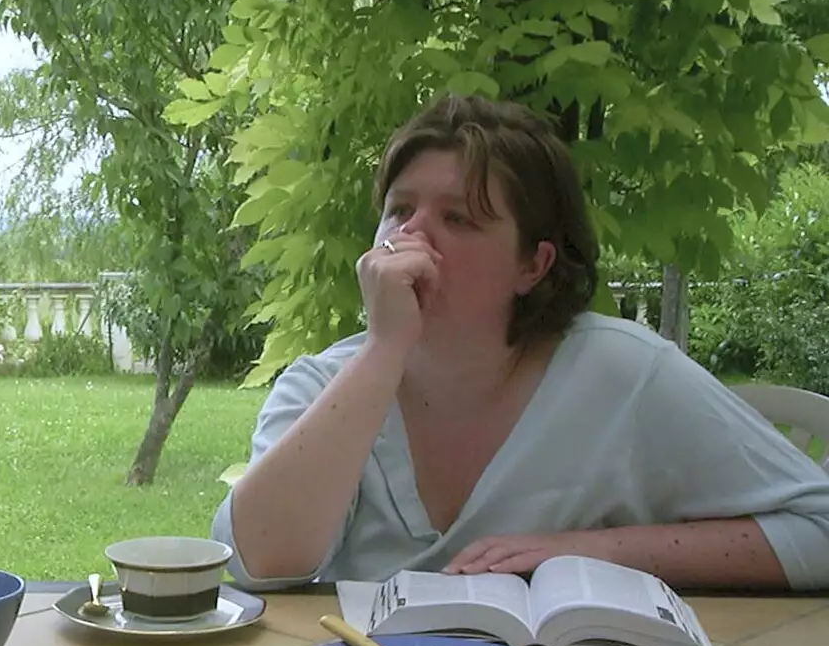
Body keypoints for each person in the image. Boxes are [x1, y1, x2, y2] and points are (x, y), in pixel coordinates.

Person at [213, 94, 829, 591]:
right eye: (400, 211)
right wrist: (384, 350)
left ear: (532, 266)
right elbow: (259, 562)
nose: (413, 236)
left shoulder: (623, 372)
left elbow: (817, 527)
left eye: (458, 218)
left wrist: (591, 552)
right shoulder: (324, 386)